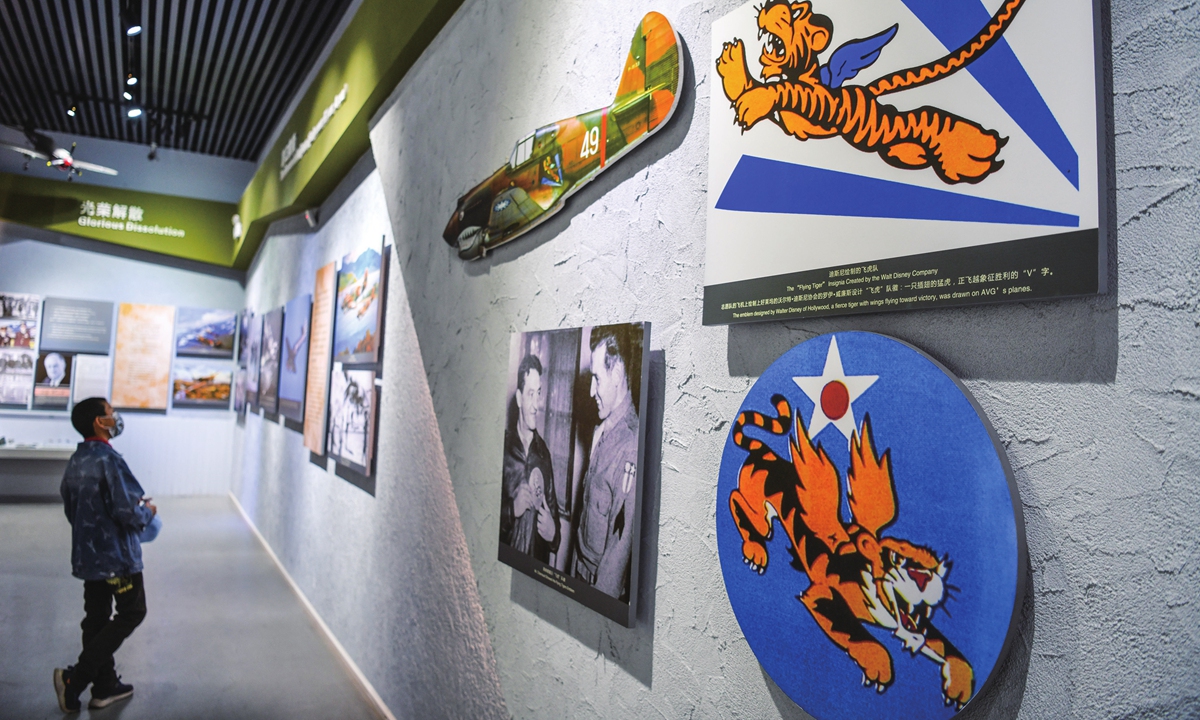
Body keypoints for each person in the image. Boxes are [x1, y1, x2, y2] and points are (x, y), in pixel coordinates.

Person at [54, 397, 155, 713]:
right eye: (111, 413)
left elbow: (72, 509)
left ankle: (105, 686)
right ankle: (76, 678)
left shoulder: (76, 460)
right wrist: (148, 512)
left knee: (96, 619)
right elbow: (127, 511)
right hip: (117, 558)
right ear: (100, 421)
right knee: (132, 611)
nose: (116, 417)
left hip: (89, 556)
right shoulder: (110, 462)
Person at [574, 326, 640, 600]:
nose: (591, 392)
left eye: (596, 379)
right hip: (580, 574)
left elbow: (618, 551)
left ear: (616, 375)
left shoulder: (630, 445)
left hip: (597, 587)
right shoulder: (602, 431)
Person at [500, 354, 560, 562]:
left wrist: (553, 534)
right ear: (518, 398)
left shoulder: (544, 455)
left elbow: (556, 528)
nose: (536, 405)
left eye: (539, 394)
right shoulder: (503, 450)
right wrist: (511, 510)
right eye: (530, 394)